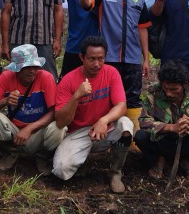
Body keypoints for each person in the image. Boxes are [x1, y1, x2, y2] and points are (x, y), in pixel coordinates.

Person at [79, 0, 151, 135]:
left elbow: (143, 29)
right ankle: (106, 135)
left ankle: (132, 138)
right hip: (109, 59)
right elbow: (87, 4)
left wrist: (146, 59)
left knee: (133, 99)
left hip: (133, 59)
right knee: (107, 98)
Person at [52, 36, 134, 193]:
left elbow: (121, 106)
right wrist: (76, 96)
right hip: (78, 132)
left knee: (126, 124)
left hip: (105, 127)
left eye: (101, 59)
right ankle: (81, 163)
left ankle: (115, 172)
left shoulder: (111, 73)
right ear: (82, 57)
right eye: (91, 59)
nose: (97, 64)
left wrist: (104, 120)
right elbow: (61, 122)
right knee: (61, 169)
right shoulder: (68, 80)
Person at [135, 59, 189, 179]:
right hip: (163, 140)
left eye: (174, 89)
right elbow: (144, 121)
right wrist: (171, 127)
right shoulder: (153, 91)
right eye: (166, 88)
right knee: (140, 136)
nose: (169, 93)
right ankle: (158, 160)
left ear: (184, 84)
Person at [0, 44, 66, 173]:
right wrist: (5, 101)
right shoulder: (7, 77)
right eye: (27, 67)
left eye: (35, 66)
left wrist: (30, 128)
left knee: (59, 128)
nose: (32, 71)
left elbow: (53, 112)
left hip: (38, 132)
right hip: (15, 132)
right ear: (17, 68)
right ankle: (10, 154)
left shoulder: (46, 77)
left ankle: (42, 157)